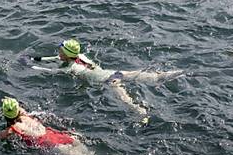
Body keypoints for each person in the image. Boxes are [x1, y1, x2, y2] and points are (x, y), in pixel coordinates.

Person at [0, 97, 144, 155]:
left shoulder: (12, 129)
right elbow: (18, 107)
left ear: (6, 115)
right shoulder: (27, 115)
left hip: (53, 145)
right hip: (64, 137)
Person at [28, 38, 182, 120]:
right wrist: (36, 59)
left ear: (67, 54)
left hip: (108, 81)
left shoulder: (69, 68)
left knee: (127, 101)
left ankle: (141, 112)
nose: (58, 52)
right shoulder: (80, 56)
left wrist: (34, 67)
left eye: (60, 50)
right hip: (114, 73)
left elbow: (51, 71)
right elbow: (55, 57)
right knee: (142, 75)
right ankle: (169, 74)